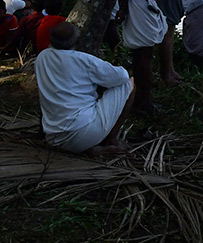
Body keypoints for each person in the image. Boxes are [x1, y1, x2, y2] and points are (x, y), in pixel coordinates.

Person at [34, 21, 134, 156]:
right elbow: (122, 76)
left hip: (54, 137)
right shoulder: (83, 60)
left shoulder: (42, 58)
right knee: (129, 84)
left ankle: (89, 147)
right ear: (76, 40)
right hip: (83, 133)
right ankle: (111, 139)